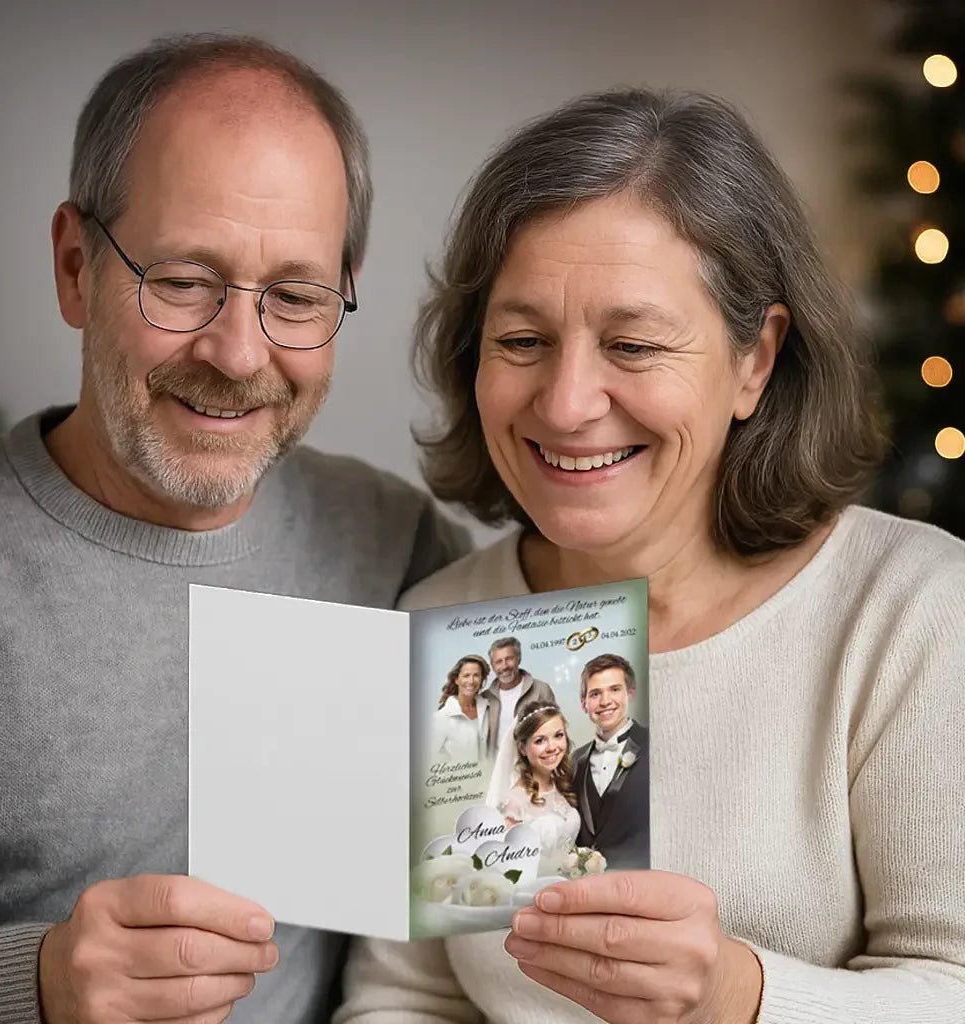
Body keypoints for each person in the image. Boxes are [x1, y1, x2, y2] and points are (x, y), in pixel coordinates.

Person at [335, 88, 965, 1024]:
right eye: (522, 340)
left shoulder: (911, 614)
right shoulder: (446, 629)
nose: (565, 403)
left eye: (632, 344)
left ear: (756, 362)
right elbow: (406, 998)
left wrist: (735, 996)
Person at [0, 33, 471, 1024]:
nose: (237, 353)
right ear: (74, 266)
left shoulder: (397, 544)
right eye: (184, 280)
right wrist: (34, 981)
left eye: (296, 297)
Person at [571, 653, 649, 871]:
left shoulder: (653, 743)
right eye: (595, 694)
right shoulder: (575, 760)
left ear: (630, 693)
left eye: (614, 689)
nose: (605, 701)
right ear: (584, 704)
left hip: (640, 877)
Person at [494, 701, 580, 876]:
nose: (552, 747)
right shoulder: (514, 803)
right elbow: (507, 870)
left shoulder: (561, 786)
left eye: (558, 735)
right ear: (522, 748)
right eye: (540, 740)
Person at [482, 636, 555, 756]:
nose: (504, 666)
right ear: (492, 666)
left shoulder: (541, 690)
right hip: (496, 764)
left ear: (519, 659)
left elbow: (554, 730)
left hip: (532, 762)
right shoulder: (484, 698)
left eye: (509, 659)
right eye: (498, 661)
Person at [433, 655, 496, 763]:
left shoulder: (487, 709)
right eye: (466, 675)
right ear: (456, 679)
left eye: (476, 675)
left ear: (482, 679)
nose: (471, 681)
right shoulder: (441, 717)